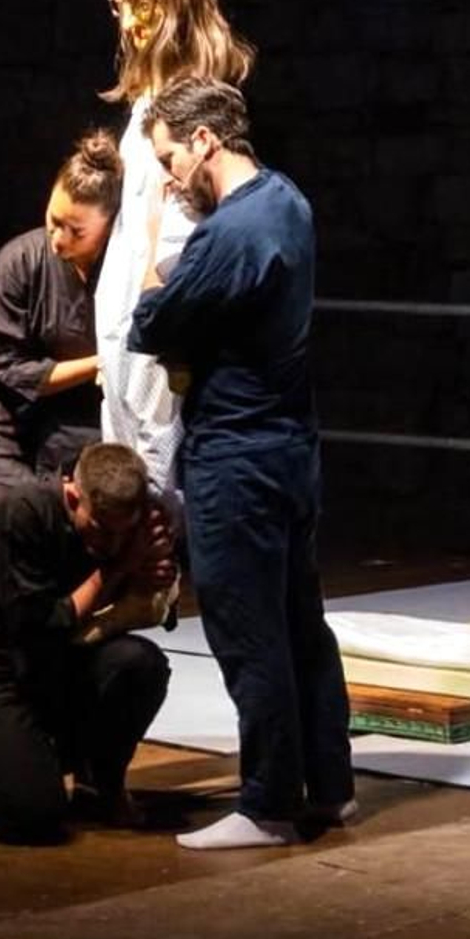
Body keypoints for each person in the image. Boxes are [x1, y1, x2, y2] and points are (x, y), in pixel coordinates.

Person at [130, 78, 355, 850]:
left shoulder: (232, 230)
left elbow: (152, 322)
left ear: (204, 141)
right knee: (299, 623)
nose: (169, 179)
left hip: (238, 456)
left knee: (248, 628)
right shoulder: (288, 201)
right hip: (290, 448)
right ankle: (329, 786)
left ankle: (266, 804)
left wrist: (154, 269)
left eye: (170, 159)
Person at [0, 442, 176, 840]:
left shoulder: (131, 523)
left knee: (141, 664)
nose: (112, 543)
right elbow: (39, 626)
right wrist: (119, 569)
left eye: (122, 534)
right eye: (102, 531)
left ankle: (99, 783)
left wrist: (154, 577)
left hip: (68, 660)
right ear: (72, 497)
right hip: (0, 673)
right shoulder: (21, 515)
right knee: (34, 814)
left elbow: (157, 612)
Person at [94, 0, 254, 508]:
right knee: (124, 457)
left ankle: (159, 560)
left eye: (140, 5)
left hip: (156, 304)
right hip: (126, 305)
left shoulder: (191, 111)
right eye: (122, 5)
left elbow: (183, 228)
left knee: (153, 460)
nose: (128, 22)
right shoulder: (148, 102)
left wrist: (157, 312)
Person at [0, 129, 121, 615]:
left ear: (110, 225)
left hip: (95, 451)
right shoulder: (19, 264)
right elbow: (9, 370)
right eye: (53, 221)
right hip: (19, 444)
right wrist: (103, 363)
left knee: (85, 592)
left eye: (76, 231)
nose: (59, 239)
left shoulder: (127, 273)